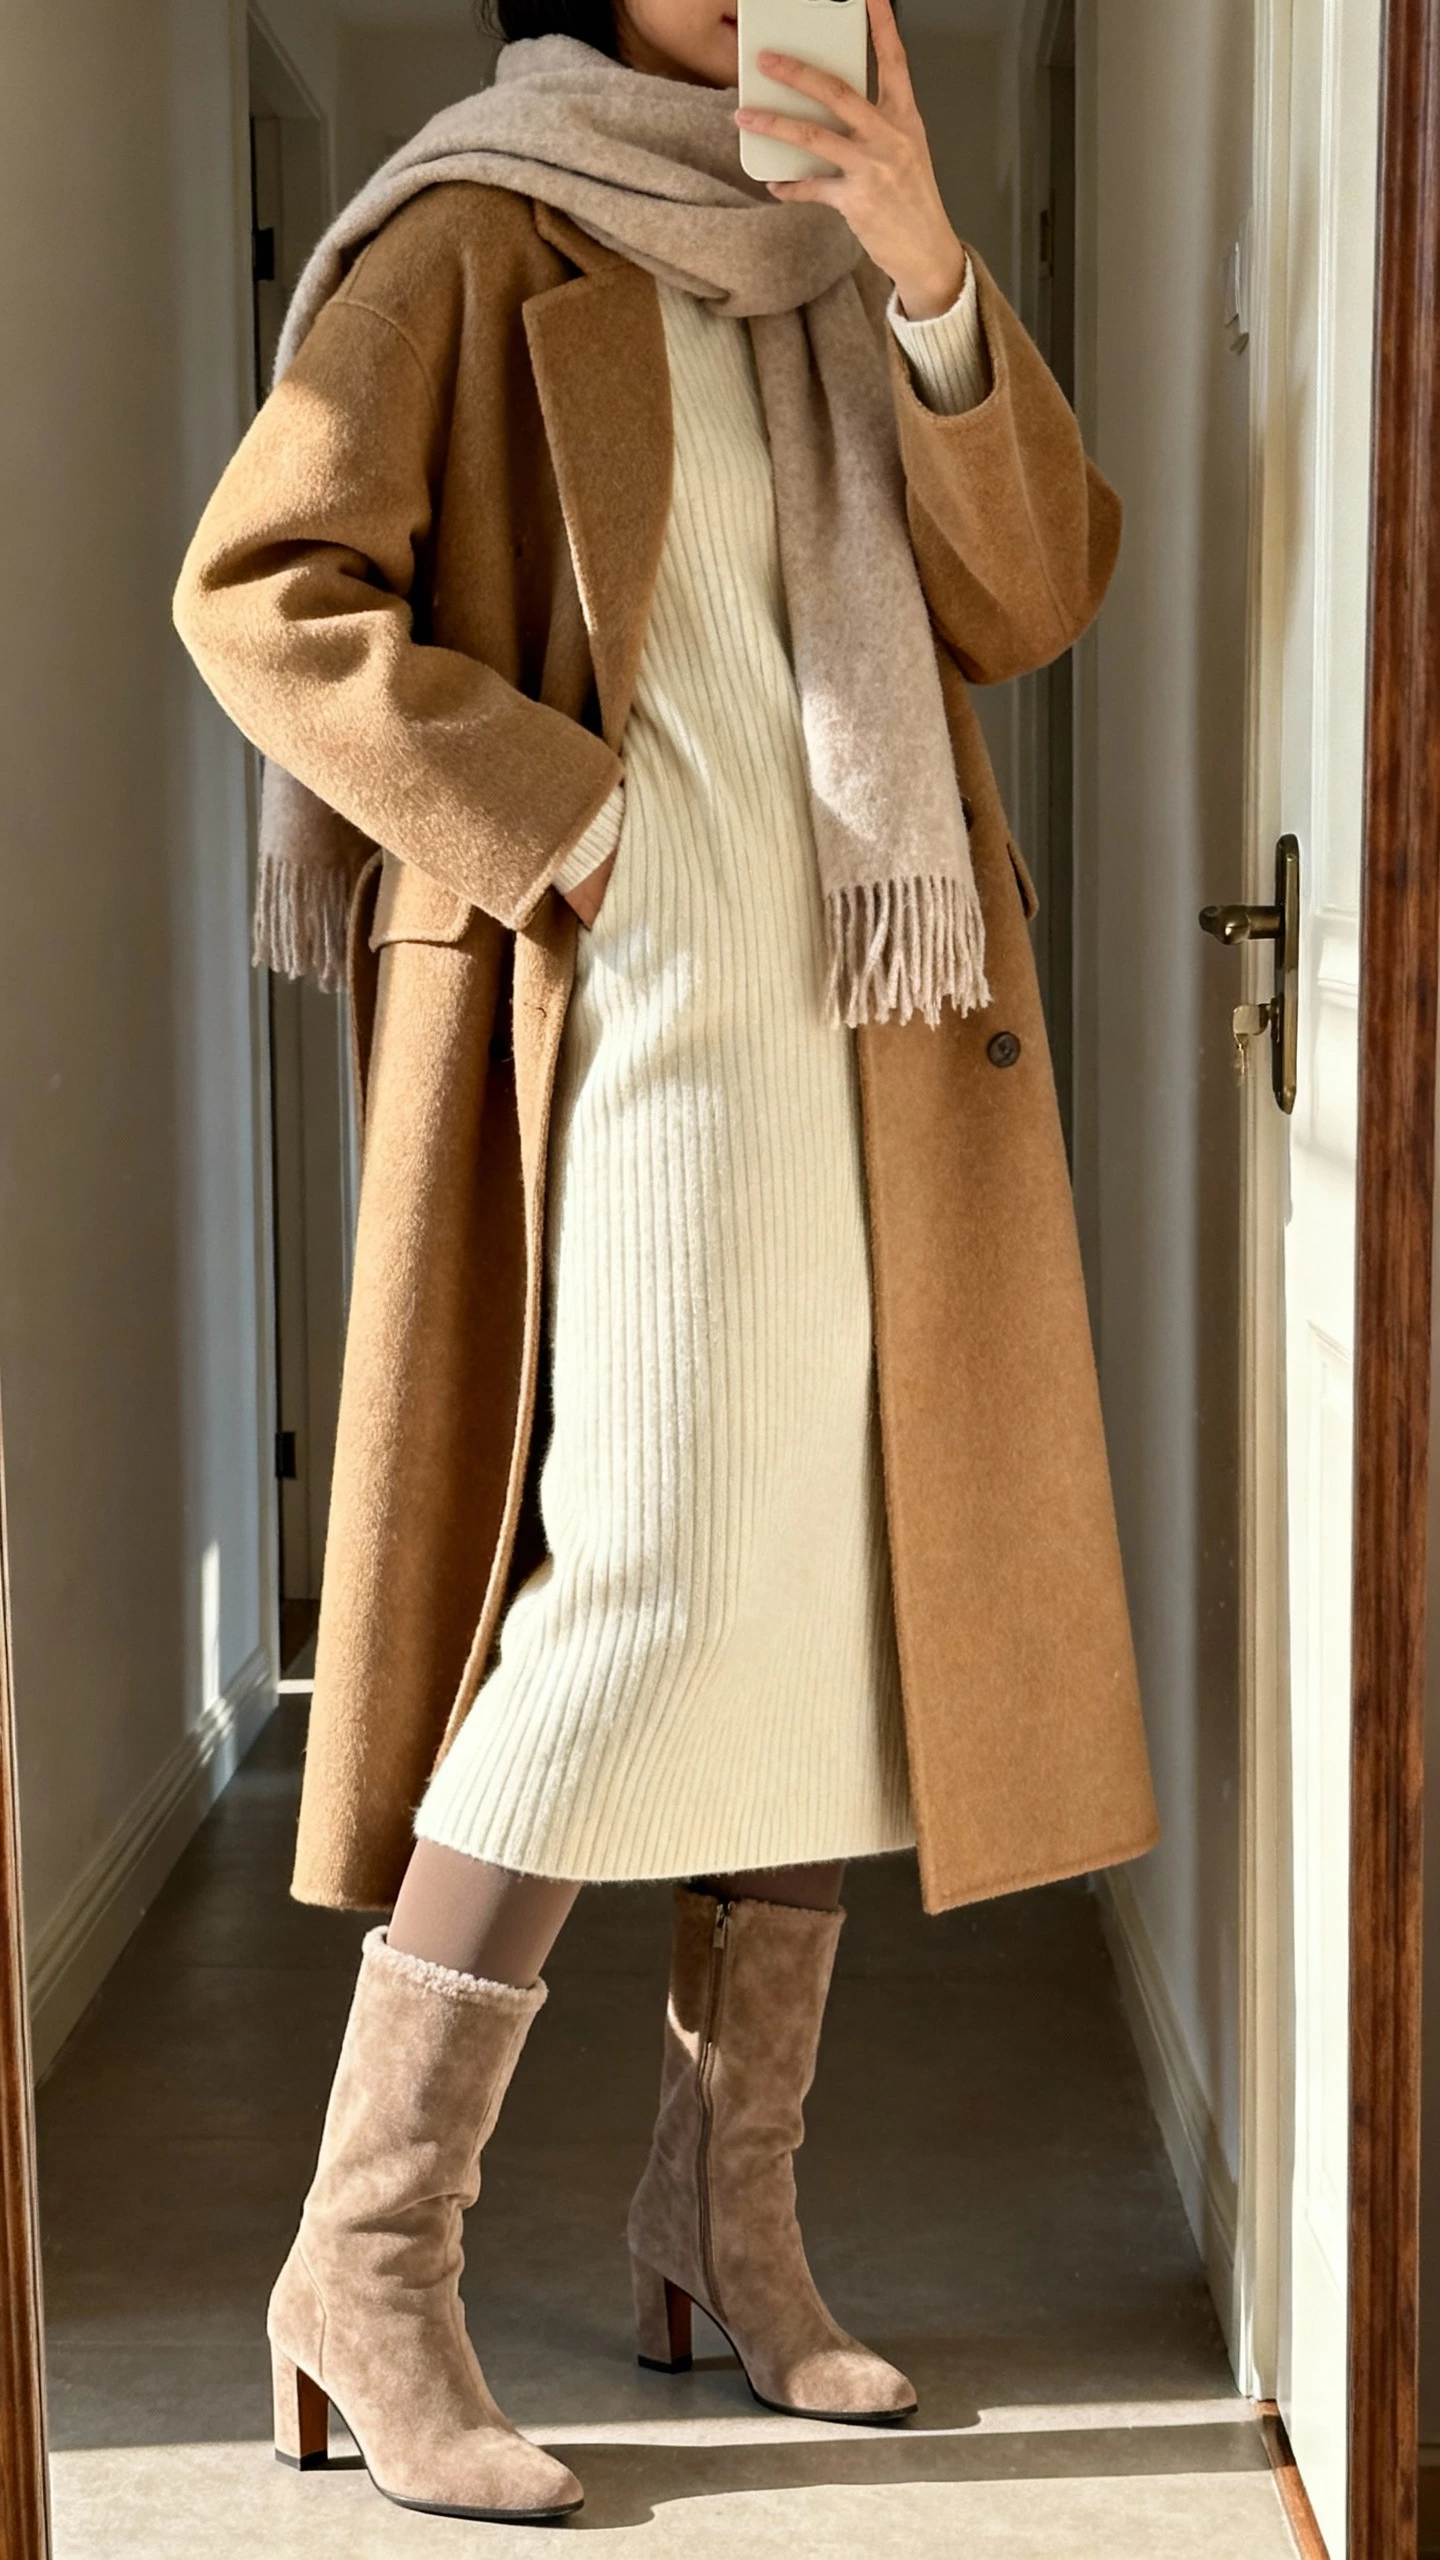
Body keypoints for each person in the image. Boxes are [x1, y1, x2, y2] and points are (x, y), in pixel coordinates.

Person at [174, 0, 1158, 2524]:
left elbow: (1032, 586)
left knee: (814, 1597)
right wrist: (565, 818)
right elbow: (258, 590)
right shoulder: (477, 223)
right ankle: (363, 2255)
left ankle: (726, 2225)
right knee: (626, 1588)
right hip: (628, 1022)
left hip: (867, 1030)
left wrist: (923, 265)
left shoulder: (830, 246)